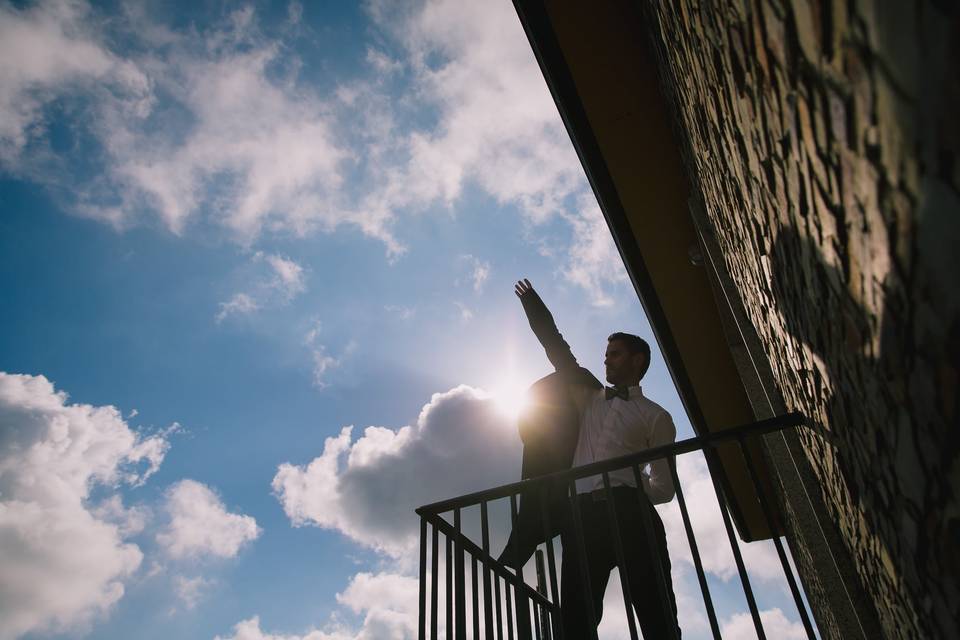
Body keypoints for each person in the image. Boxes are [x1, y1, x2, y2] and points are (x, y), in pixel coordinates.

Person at [513, 278, 681, 639]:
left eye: (615, 354)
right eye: (606, 355)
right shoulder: (588, 398)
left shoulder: (656, 416)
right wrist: (533, 305)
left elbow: (664, 487)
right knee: (576, 618)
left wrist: (626, 488)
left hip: (631, 514)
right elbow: (558, 350)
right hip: (582, 518)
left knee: (656, 612)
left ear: (637, 360)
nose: (606, 360)